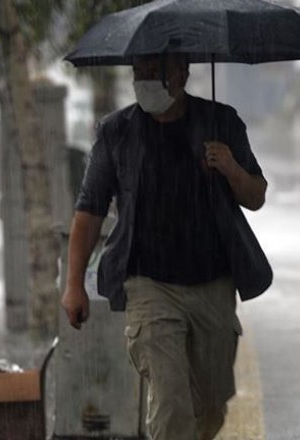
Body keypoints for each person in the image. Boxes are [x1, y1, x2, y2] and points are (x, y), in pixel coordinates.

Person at [61, 53, 272, 440]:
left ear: (181, 73)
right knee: (171, 398)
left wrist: (230, 168)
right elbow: (89, 210)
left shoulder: (220, 123)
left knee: (210, 404)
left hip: (213, 284)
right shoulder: (117, 131)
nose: (143, 82)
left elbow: (256, 195)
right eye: (137, 72)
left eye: (153, 72)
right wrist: (74, 284)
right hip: (149, 286)